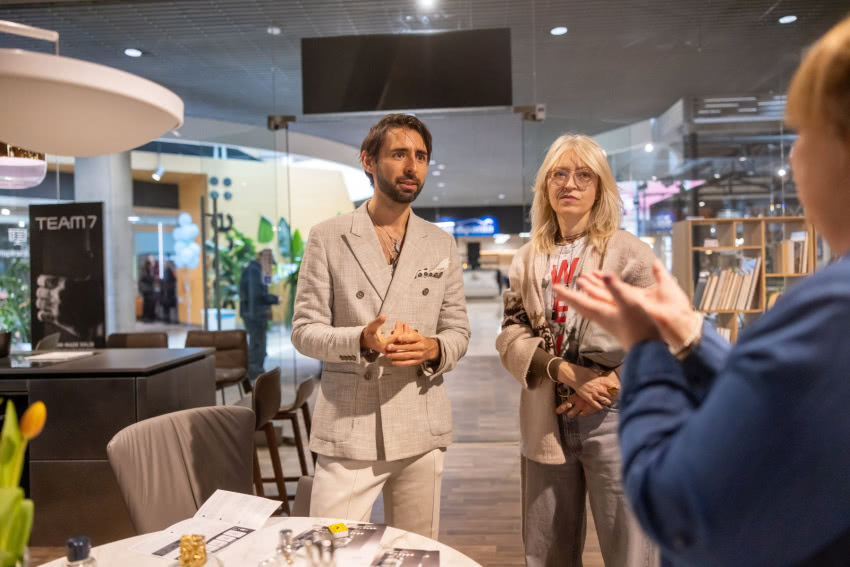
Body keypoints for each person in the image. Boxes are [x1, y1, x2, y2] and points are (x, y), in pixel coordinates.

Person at [554, 16, 850, 566]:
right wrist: (691, 336)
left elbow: (677, 506)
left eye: (805, 133)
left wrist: (645, 347)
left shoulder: (831, 310)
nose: (793, 156)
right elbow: (776, 402)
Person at [291, 113, 470, 539]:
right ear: (368, 161)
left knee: (416, 555)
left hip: (420, 422)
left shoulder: (440, 242)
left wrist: (433, 348)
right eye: (399, 154)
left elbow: (458, 330)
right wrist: (361, 340)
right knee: (329, 551)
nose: (412, 167)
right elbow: (304, 330)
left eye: (421, 156)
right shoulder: (329, 236)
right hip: (350, 426)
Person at [496, 134, 658, 566]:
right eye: (560, 174)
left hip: (616, 417)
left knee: (632, 552)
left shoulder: (630, 253)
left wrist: (611, 383)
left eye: (584, 175)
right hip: (545, 418)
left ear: (600, 187)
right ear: (545, 186)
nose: (570, 183)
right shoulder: (527, 258)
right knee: (546, 551)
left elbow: (663, 333)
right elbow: (511, 334)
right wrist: (567, 373)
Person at [240, 249, 279, 380]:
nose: (270, 266)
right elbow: (256, 296)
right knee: (257, 344)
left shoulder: (257, 271)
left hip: (256, 314)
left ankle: (257, 372)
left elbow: (262, 291)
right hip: (254, 315)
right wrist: (275, 299)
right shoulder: (254, 271)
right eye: (269, 263)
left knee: (259, 343)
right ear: (262, 259)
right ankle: (254, 373)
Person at [138, 257, 156, 322]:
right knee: (147, 304)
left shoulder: (148, 270)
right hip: (146, 289)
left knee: (149, 303)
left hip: (147, 289)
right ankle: (146, 317)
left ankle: (148, 317)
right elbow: (146, 279)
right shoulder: (145, 270)